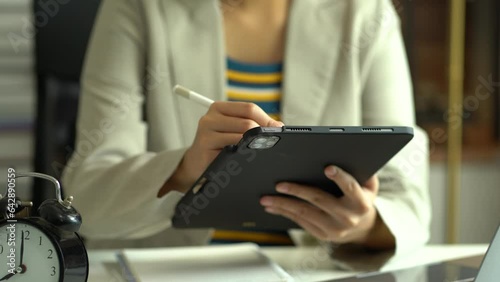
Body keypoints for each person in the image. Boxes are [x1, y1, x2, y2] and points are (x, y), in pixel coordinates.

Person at [62, 0, 431, 255]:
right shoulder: (138, 8)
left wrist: (363, 225)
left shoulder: (366, 15)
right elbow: (88, 202)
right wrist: (184, 170)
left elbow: (408, 202)